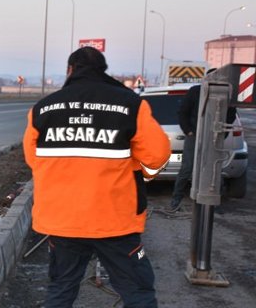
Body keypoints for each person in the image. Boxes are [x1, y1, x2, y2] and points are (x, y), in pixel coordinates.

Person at [22, 47, 170, 308]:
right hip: (115, 221)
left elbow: (34, 160)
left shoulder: (42, 109)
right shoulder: (131, 105)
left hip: (63, 221)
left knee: (60, 291)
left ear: (70, 70)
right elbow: (157, 156)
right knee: (137, 293)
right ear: (103, 70)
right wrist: (136, 171)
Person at [168, 73, 237, 212]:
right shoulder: (195, 92)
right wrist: (189, 131)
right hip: (195, 136)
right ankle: (176, 200)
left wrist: (222, 134)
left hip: (214, 137)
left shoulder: (225, 95)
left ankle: (214, 203)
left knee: (214, 169)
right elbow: (183, 113)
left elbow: (230, 116)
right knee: (187, 168)